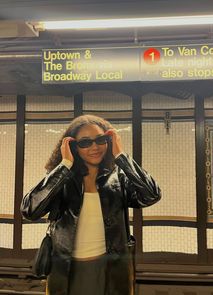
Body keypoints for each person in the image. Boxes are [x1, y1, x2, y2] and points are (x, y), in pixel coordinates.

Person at [21, 114, 161, 295]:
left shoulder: (118, 177)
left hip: (111, 270)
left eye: (101, 140)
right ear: (73, 146)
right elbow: (30, 210)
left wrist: (121, 156)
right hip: (67, 270)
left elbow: (151, 195)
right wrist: (64, 165)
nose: (95, 147)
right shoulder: (62, 179)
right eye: (85, 143)